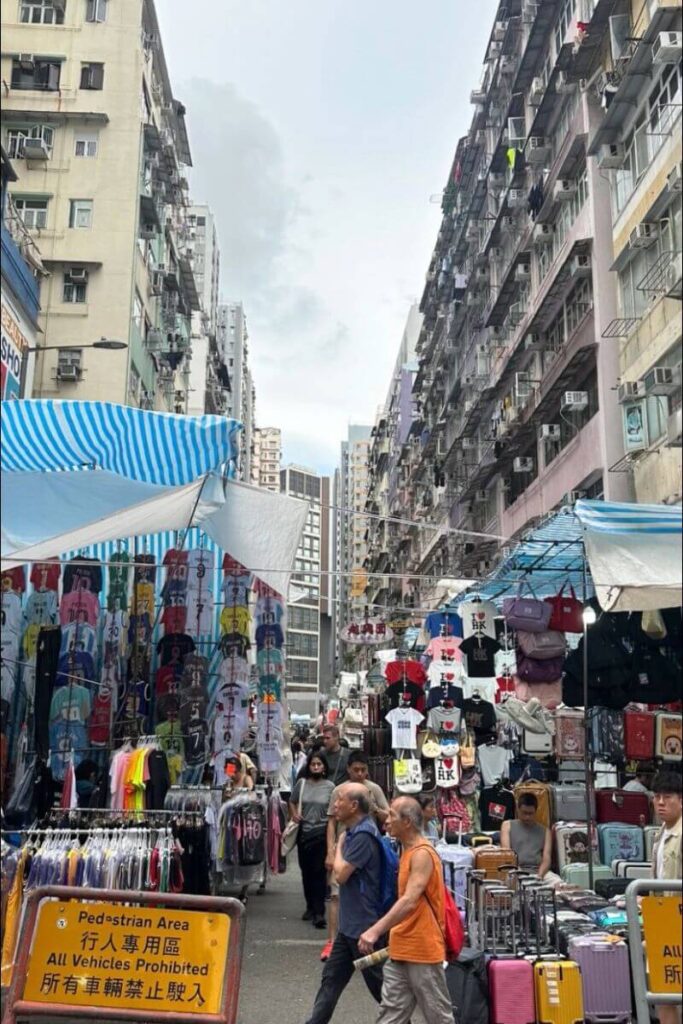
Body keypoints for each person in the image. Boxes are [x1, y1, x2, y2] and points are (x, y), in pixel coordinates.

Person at [358, 796, 456, 1024]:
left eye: (392, 815)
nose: (386, 820)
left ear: (408, 822)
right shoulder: (408, 850)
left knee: (438, 1016)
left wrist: (375, 930)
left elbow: (410, 899)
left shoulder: (422, 853)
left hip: (422, 948)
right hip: (401, 946)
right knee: (390, 1014)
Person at [304, 783, 385, 1024]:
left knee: (382, 991)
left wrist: (338, 846)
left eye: (339, 800)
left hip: (365, 931)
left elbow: (340, 875)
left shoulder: (363, 835)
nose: (335, 804)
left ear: (354, 805)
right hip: (349, 928)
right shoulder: (354, 831)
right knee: (330, 981)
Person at [322, 750, 390, 961]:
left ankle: (357, 940)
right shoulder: (340, 791)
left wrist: (373, 806)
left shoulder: (373, 791)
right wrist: (331, 851)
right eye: (356, 770)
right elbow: (331, 822)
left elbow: (387, 817)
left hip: (357, 851)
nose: (360, 773)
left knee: (358, 893)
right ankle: (333, 940)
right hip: (343, 849)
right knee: (335, 895)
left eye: (363, 770)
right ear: (348, 770)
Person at [290, 751, 335, 928]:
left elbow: (334, 811)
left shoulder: (331, 787)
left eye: (319, 764)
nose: (316, 767)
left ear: (324, 767)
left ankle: (319, 912)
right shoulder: (301, 784)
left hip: (322, 835)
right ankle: (310, 906)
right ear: (308, 766)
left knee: (319, 874)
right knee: (306, 873)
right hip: (304, 835)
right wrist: (294, 814)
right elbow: (292, 802)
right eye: (313, 764)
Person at [651, 770, 682, 1024]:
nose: (661, 802)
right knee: (664, 993)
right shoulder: (661, 832)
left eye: (667, 796)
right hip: (662, 920)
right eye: (657, 796)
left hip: (677, 919)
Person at [501, 792, 560, 884]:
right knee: (511, 882)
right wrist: (518, 872)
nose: (527, 817)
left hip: (539, 872)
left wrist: (539, 877)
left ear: (536, 811)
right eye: (524, 813)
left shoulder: (545, 831)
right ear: (518, 810)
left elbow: (546, 859)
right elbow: (506, 854)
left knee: (558, 883)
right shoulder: (507, 825)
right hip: (515, 870)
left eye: (530, 813)